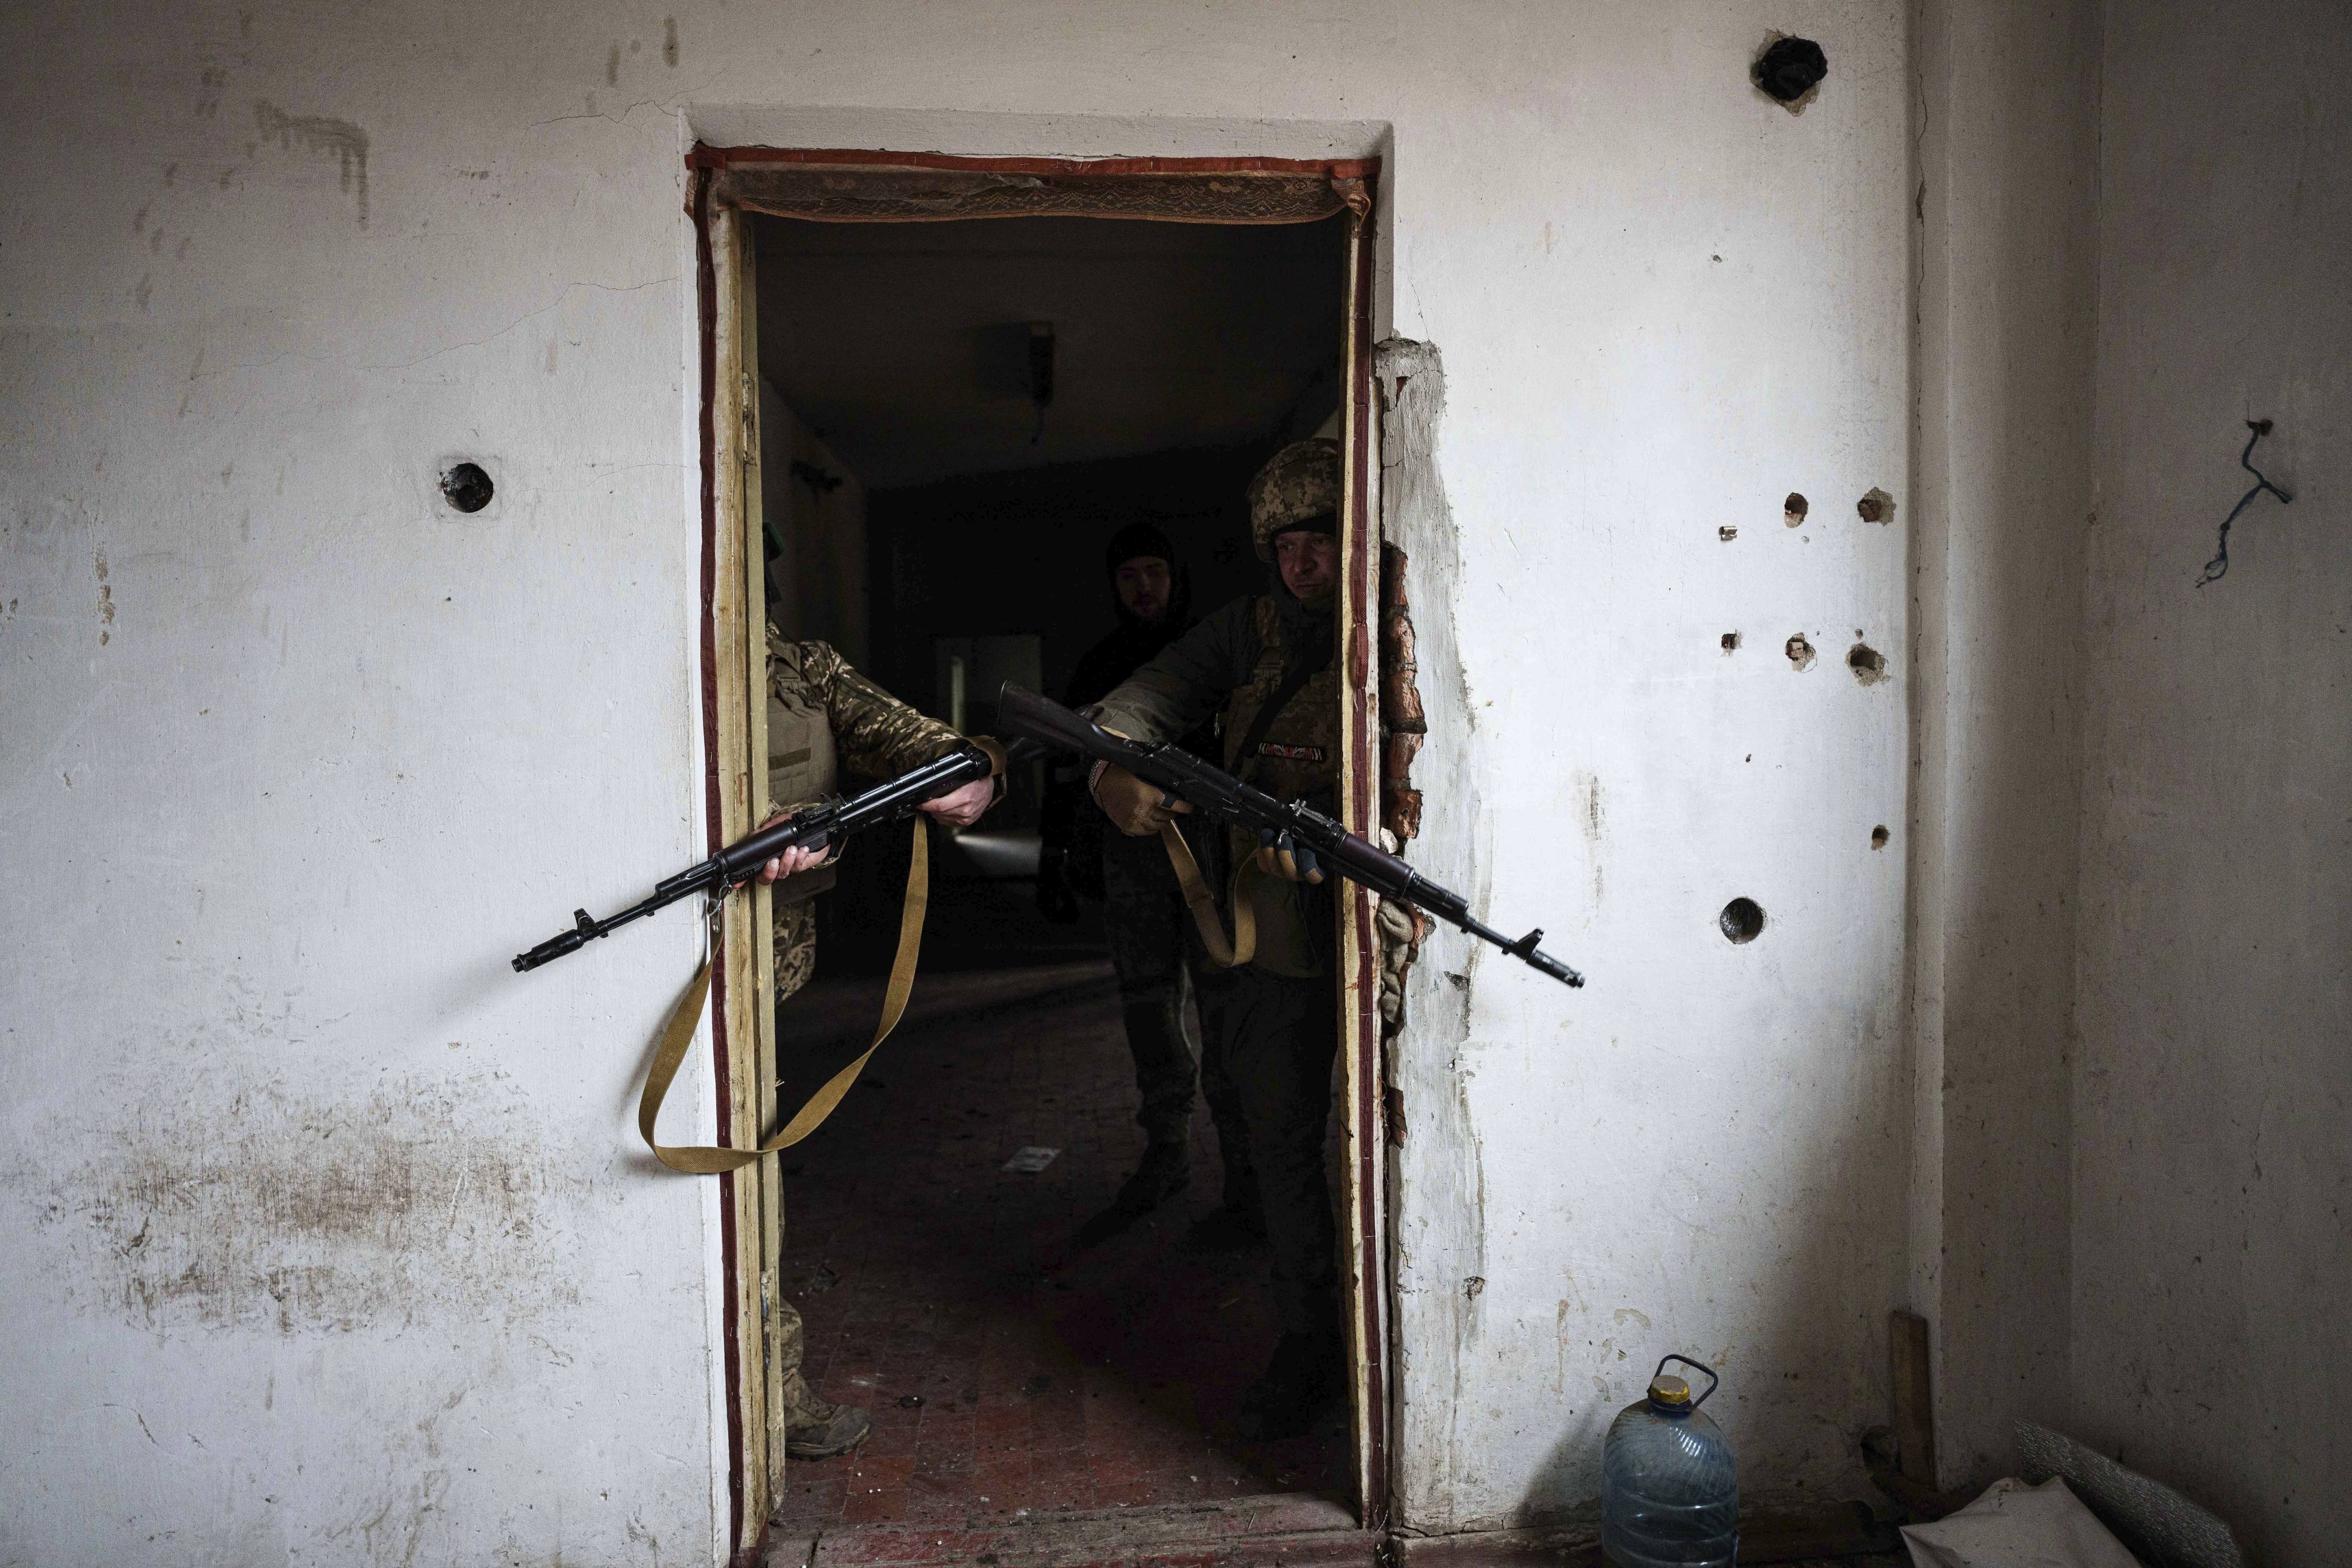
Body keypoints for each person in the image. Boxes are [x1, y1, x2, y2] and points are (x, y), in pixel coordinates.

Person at [1084, 438, 1350, 1440]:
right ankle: (1300, 1310)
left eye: (1319, 541)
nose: (1300, 564)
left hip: (1365, 926)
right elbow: (1143, 697)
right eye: (1284, 546)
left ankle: (1327, 1331)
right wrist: (1118, 767)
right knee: (1261, 1112)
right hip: (1262, 926)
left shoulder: (1394, 635)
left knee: (1330, 1140)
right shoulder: (1251, 632)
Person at [751, 629, 997, 1459]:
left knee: (749, 1159)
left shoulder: (797, 665)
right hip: (639, 952)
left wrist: (970, 772)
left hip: (760, 963)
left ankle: (769, 1387)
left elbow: (916, 739)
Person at [1037, 523, 1257, 1248]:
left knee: (1225, 1011)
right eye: (1128, 574)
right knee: (1147, 1009)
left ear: (1175, 576)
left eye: (1153, 572)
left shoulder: (1212, 655)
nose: (1141, 587)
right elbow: (1065, 772)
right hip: (1129, 860)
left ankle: (1245, 1176)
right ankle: (1166, 1153)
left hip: (1210, 856)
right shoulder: (1101, 664)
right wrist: (1057, 858)